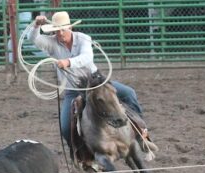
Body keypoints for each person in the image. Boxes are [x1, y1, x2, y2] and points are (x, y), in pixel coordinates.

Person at [29, 11, 143, 149]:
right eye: (57, 31)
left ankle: (141, 132)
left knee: (129, 93)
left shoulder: (83, 38)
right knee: (66, 128)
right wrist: (36, 26)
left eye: (63, 30)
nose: (60, 33)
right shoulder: (52, 43)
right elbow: (33, 39)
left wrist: (68, 62)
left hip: (96, 83)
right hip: (73, 89)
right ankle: (79, 153)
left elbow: (87, 57)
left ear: (70, 27)